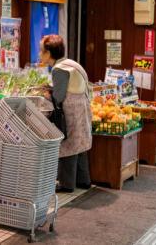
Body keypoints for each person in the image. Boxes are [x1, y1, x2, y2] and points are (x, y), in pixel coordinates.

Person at [39, 34, 92, 193]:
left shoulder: (59, 68)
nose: (40, 54)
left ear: (49, 53)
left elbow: (59, 96)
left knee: (68, 146)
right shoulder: (71, 63)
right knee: (80, 145)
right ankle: (84, 181)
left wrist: (48, 94)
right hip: (82, 108)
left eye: (41, 51)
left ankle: (66, 184)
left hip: (72, 112)